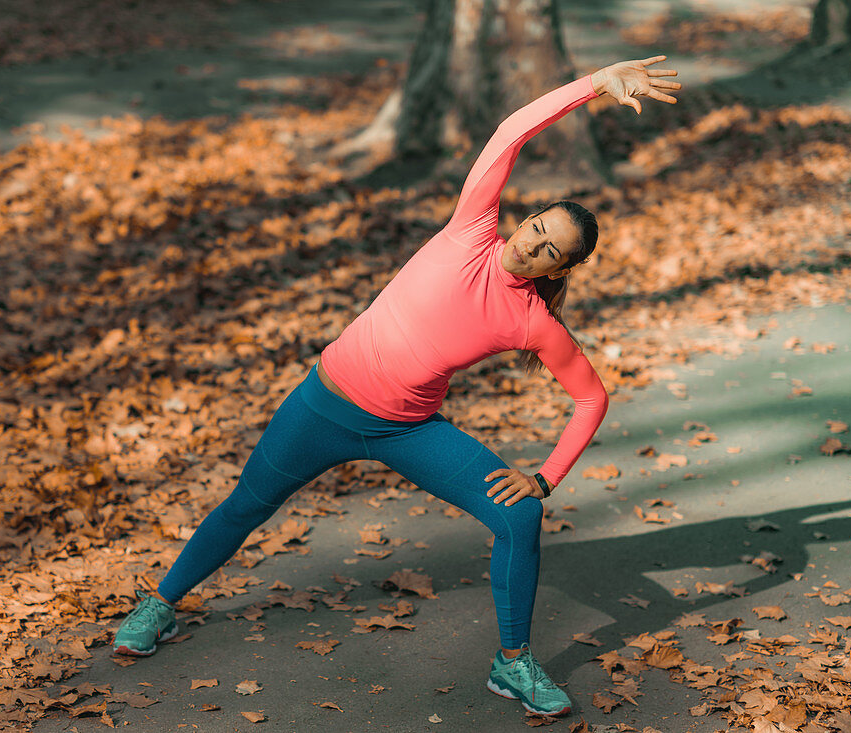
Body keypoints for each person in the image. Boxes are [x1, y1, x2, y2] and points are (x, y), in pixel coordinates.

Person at [113, 55, 680, 718]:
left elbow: (592, 396)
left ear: (564, 267)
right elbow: (510, 132)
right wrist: (594, 85)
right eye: (538, 228)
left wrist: (545, 477)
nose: (534, 246)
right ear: (526, 218)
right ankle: (158, 605)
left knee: (520, 513)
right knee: (246, 504)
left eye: (553, 250)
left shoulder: (532, 320)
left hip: (407, 428)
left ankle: (513, 664)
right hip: (324, 403)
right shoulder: (472, 227)